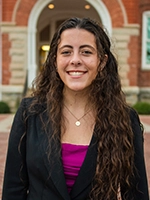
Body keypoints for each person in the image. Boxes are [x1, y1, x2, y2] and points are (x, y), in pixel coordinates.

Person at [2, 17, 149, 200]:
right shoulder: (29, 113)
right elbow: (13, 190)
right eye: (66, 52)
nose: (75, 60)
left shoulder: (125, 119)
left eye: (86, 52)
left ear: (102, 62)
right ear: (55, 60)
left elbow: (136, 194)